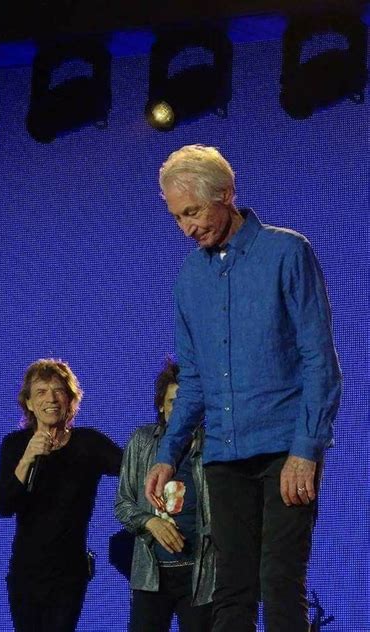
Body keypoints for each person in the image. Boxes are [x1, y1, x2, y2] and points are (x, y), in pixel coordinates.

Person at [145, 145, 342, 631]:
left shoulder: (286, 252)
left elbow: (320, 362)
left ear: (226, 194)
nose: (187, 228)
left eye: (191, 212)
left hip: (285, 451)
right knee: (230, 588)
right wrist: (167, 453)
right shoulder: (189, 279)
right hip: (224, 457)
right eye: (176, 218)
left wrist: (306, 450)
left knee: (279, 582)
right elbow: (192, 379)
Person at [0, 358, 122, 632]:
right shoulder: (15, 444)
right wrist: (28, 457)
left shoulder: (88, 444)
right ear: (29, 403)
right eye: (41, 392)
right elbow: (4, 505)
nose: (51, 399)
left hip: (69, 574)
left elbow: (132, 470)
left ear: (70, 399)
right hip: (25, 575)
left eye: (59, 391)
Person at [115, 357, 214, 632]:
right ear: (161, 405)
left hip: (200, 576)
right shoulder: (142, 441)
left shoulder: (213, 445)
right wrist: (150, 522)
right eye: (173, 402)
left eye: (188, 403)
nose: (181, 410)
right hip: (151, 575)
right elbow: (122, 504)